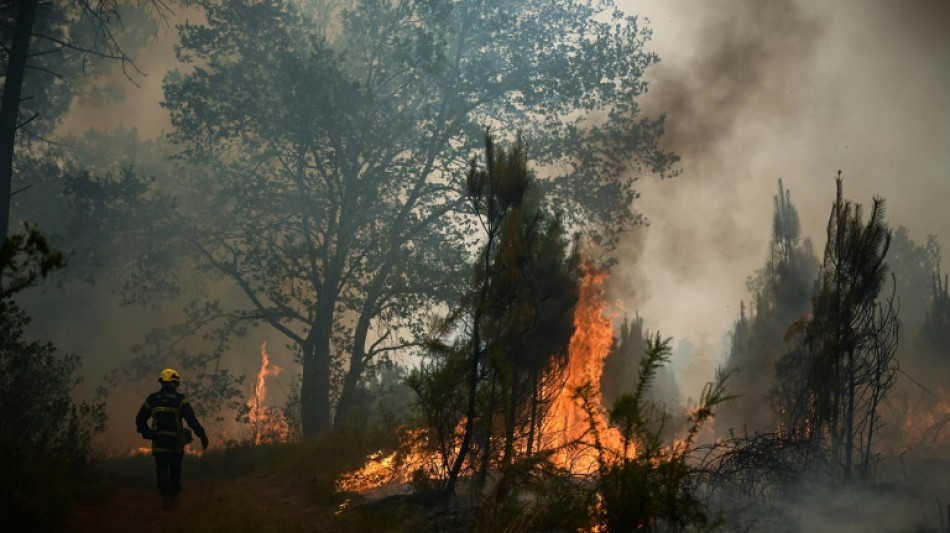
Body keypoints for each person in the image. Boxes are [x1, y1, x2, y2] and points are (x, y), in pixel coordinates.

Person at [135, 368, 210, 507]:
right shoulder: (180, 399)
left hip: (159, 442)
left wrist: (146, 432)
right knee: (175, 469)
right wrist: (202, 435)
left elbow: (139, 419)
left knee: (161, 468)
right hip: (176, 442)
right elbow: (191, 419)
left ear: (162, 382)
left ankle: (165, 495)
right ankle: (174, 496)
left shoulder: (152, 399)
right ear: (175, 383)